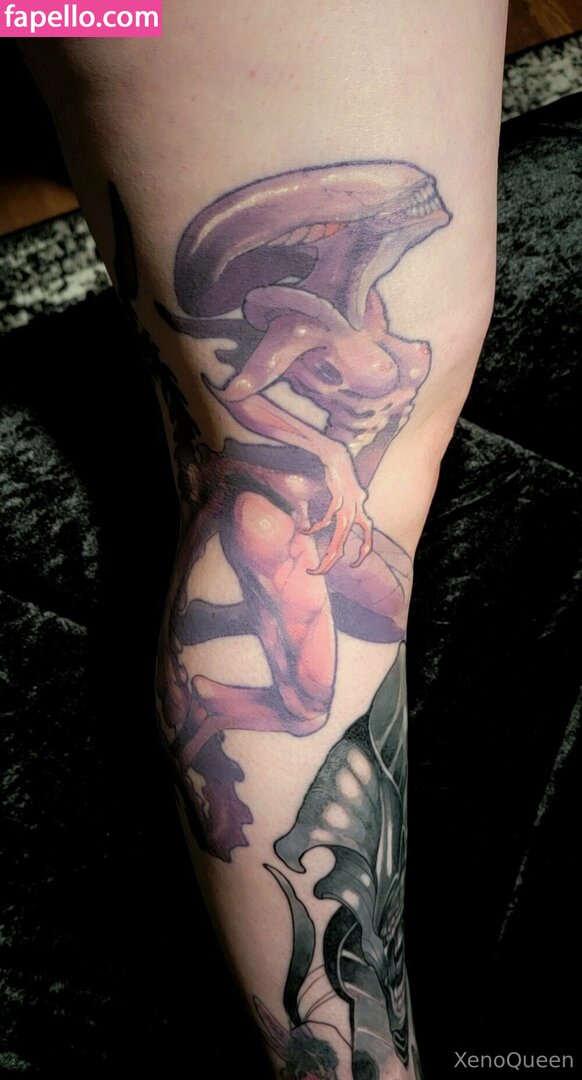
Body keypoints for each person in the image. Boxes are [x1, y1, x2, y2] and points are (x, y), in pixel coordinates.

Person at [22, 3, 508, 1075]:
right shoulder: (301, 316)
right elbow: (247, 397)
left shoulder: (362, 305)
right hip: (280, 507)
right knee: (306, 686)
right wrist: (327, 462)